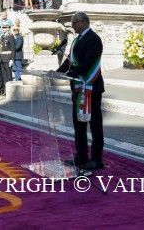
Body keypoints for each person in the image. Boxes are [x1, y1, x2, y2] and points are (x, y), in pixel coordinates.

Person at [56, 12, 104, 174]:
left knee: (95, 124)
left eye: (74, 23)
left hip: (91, 87)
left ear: (83, 22)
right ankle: (81, 156)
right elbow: (70, 60)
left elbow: (87, 62)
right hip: (78, 87)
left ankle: (96, 159)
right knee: (79, 124)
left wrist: (71, 73)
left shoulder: (94, 39)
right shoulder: (77, 39)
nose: (72, 26)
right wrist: (58, 72)